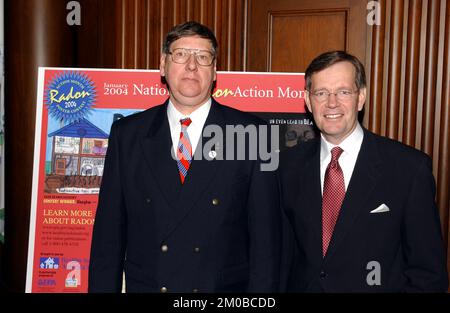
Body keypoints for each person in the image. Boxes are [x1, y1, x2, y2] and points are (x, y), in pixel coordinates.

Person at [88, 21, 281, 293]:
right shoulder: (127, 135)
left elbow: (267, 246)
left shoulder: (253, 134)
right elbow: (108, 241)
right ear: (163, 64)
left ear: (215, 71)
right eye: (181, 55)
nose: (192, 65)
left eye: (203, 57)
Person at [279, 50, 448, 292]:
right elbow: (281, 257)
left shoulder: (408, 169)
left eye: (343, 92)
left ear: (361, 98)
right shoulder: (287, 167)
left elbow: (428, 275)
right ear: (307, 100)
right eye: (321, 93)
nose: (332, 103)